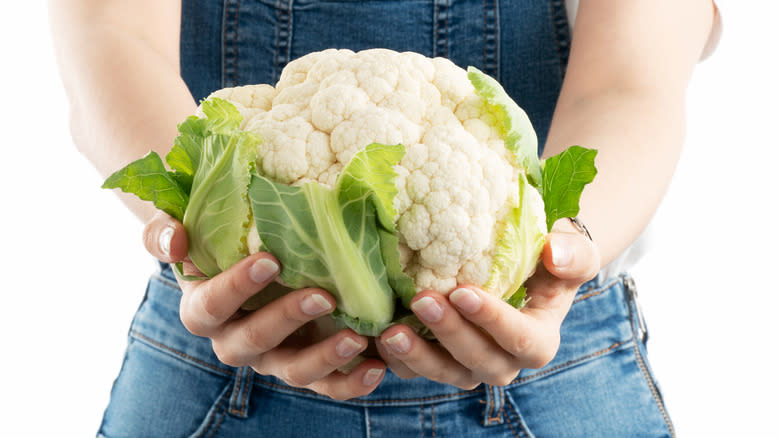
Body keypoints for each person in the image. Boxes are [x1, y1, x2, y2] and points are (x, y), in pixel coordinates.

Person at [50, 0, 718, 436]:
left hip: (554, 353)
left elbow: (631, 80)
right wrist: (194, 229)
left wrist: (562, 257)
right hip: (225, 339)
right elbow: (110, 34)